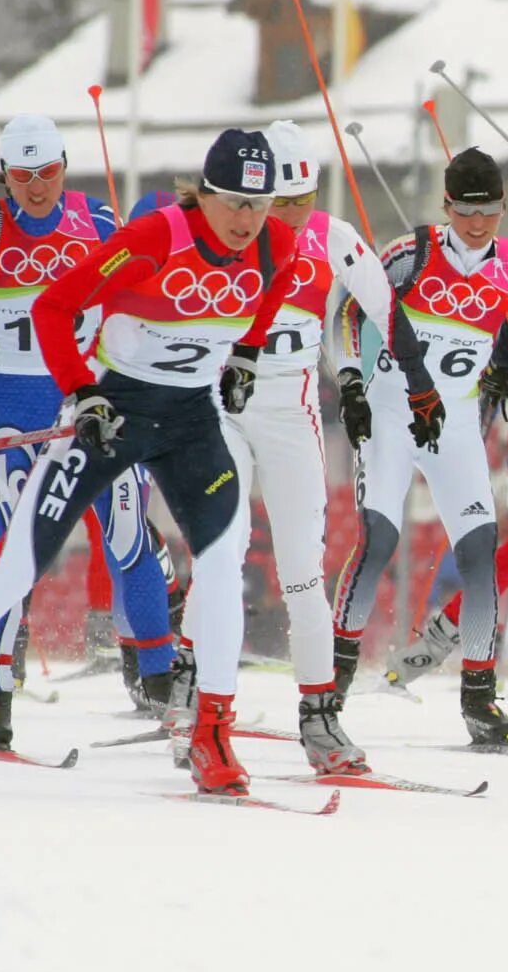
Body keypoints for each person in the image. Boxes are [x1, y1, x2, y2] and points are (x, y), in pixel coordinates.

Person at [0, 131, 295, 795]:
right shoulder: (155, 236)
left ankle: (211, 733)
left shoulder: (276, 244)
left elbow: (275, 291)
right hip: (112, 416)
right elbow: (55, 303)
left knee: (217, 565)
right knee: (15, 564)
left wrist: (246, 354)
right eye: (234, 203)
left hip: (190, 425)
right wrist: (82, 390)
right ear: (205, 194)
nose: (246, 221)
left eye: (259, 206)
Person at [0, 114, 177, 741]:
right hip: (13, 414)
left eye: (46, 172)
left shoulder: (101, 223)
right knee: (12, 554)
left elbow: (150, 295)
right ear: (4, 177)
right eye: (22, 177)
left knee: (128, 536)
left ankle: (163, 688)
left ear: (64, 168)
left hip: (90, 405)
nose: (36, 187)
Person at [167, 120, 433, 775]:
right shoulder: (221, 233)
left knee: (303, 573)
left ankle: (319, 716)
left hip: (290, 412)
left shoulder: (332, 238)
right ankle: (193, 690)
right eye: (274, 204)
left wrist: (421, 385)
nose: (286, 217)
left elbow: (385, 307)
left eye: (301, 201)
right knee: (220, 554)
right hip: (222, 410)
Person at [330, 148, 508, 746]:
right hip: (388, 416)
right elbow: (351, 315)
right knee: (379, 541)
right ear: (446, 206)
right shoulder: (411, 255)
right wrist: (351, 382)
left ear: (503, 207)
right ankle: (331, 681)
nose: (477, 224)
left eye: (487, 212)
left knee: (482, 552)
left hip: (453, 424)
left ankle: (480, 699)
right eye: (464, 212)